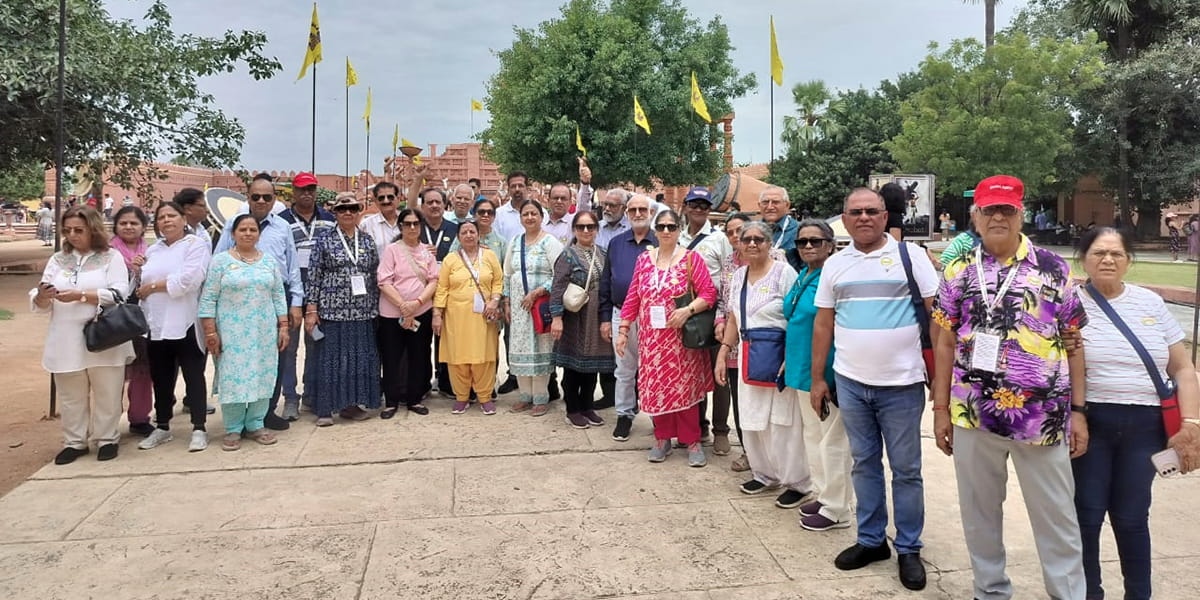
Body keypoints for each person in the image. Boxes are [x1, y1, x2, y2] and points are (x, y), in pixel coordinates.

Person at [930, 175, 1089, 600]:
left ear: (1021, 214)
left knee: (1056, 516)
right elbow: (945, 340)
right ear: (975, 217)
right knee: (979, 514)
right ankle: (991, 591)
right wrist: (940, 408)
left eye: (1007, 209)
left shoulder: (1053, 268)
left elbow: (1074, 344)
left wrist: (1078, 411)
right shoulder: (958, 270)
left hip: (1043, 418)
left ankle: (1068, 594)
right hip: (972, 412)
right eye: (989, 210)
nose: (998, 216)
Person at [811, 188, 937, 590]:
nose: (863, 217)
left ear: (885, 217)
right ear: (844, 220)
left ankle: (909, 547)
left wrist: (942, 378)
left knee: (906, 470)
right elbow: (824, 324)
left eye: (871, 211)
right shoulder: (835, 265)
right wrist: (818, 378)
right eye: (855, 212)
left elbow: (937, 318)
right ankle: (870, 540)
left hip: (901, 384)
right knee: (863, 464)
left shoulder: (911, 257)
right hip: (851, 382)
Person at [1072, 227, 1200, 600]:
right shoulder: (1069, 303)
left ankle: (1138, 595)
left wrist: (1191, 424)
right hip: (1091, 421)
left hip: (1145, 426)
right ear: (1084, 259)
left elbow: (1183, 369)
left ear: (1128, 260)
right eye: (1099, 253)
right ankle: (1088, 593)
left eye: (1116, 253)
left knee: (1131, 517)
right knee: (1087, 514)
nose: (1108, 260)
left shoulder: (1150, 303)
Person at [31, 206, 134, 464]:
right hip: (65, 336)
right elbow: (42, 300)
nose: (73, 235)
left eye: (79, 230)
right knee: (70, 394)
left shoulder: (111, 257)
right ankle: (75, 441)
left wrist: (82, 296)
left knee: (107, 391)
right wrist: (43, 295)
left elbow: (119, 293)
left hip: (104, 335)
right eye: (68, 231)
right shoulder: (58, 260)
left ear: (93, 228)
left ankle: (107, 438)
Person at [616, 209, 717, 467]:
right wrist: (624, 329)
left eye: (671, 226)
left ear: (679, 229)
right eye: (661, 227)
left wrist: (686, 310)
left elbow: (708, 294)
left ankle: (692, 440)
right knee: (657, 390)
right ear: (655, 229)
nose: (666, 231)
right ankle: (662, 439)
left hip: (681, 339)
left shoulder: (692, 259)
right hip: (651, 340)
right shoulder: (644, 260)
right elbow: (633, 297)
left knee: (684, 390)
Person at [715, 220, 809, 498]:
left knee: (783, 422)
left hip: (778, 356)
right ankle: (765, 474)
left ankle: (798, 482)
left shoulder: (784, 273)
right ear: (739, 245)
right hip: (748, 354)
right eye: (747, 239)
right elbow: (734, 317)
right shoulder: (738, 276)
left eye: (759, 239)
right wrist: (723, 352)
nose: (753, 244)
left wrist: (791, 357)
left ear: (769, 244)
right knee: (752, 418)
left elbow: (797, 318)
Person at [215, 177, 305, 431]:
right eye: (256, 197)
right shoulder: (235, 225)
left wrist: (296, 302)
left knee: (276, 354)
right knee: (241, 357)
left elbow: (292, 265)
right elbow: (218, 260)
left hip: (276, 295)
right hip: (240, 300)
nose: (262, 201)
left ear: (275, 199)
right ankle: (240, 416)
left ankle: (265, 412)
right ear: (248, 197)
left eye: (267, 197)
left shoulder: (282, 227)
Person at [782, 218, 854, 532]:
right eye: (802, 242)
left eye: (815, 241)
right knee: (813, 436)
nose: (808, 246)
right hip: (800, 369)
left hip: (826, 372)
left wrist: (824, 375)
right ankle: (825, 495)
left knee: (833, 442)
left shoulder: (835, 276)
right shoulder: (804, 274)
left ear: (829, 244)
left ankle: (838, 509)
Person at [198, 214, 289, 451]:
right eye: (242, 230)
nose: (248, 234)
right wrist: (210, 332)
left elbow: (278, 295)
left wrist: (283, 327)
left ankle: (256, 423)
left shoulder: (268, 261)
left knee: (262, 374)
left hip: (263, 332)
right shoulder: (220, 262)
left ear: (259, 234)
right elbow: (208, 298)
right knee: (233, 377)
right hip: (231, 333)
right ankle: (233, 427)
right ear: (233, 234)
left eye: (252, 230)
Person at [136, 202, 212, 452]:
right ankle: (163, 426)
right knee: (161, 377)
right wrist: (138, 274)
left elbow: (188, 281)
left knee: (193, 375)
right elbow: (139, 285)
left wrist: (154, 287)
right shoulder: (153, 249)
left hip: (185, 320)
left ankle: (199, 427)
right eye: (161, 217)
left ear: (183, 219)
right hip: (156, 322)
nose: (166, 220)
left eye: (172, 216)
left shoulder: (195, 245)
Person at [304, 192, 381, 426]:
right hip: (332, 311)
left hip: (363, 311)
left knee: (358, 360)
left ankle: (351, 405)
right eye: (342, 209)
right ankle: (326, 409)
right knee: (331, 360)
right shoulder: (324, 240)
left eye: (353, 208)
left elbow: (374, 274)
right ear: (335, 212)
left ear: (359, 212)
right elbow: (314, 275)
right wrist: (311, 309)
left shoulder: (367, 240)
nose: (348, 213)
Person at [278, 171, 335, 420]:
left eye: (311, 188)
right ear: (293, 192)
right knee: (288, 347)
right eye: (302, 189)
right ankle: (291, 397)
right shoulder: (281, 221)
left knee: (316, 346)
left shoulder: (328, 219)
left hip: (320, 294)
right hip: (290, 292)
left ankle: (312, 394)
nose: (307, 193)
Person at [600, 194, 658, 441]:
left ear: (651, 213)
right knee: (624, 368)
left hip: (653, 318)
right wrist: (604, 317)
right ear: (626, 213)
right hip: (620, 314)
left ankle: (658, 414)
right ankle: (624, 414)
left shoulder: (660, 240)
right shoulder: (616, 243)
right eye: (632, 209)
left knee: (654, 368)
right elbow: (606, 280)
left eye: (642, 209)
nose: (637, 214)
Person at [550, 210, 614, 428]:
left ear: (596, 229)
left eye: (590, 227)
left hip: (596, 318)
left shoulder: (604, 253)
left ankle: (587, 406)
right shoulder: (567, 255)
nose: (586, 231)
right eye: (581, 227)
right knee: (573, 367)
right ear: (574, 230)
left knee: (592, 366)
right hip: (574, 320)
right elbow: (557, 288)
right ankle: (573, 408)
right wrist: (556, 318)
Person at [434, 219, 504, 413]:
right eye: (464, 232)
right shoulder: (451, 259)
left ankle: (484, 396)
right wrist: (437, 314)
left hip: (484, 315)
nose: (469, 235)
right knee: (458, 357)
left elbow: (498, 281)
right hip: (456, 317)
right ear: (458, 237)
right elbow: (442, 288)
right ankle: (462, 396)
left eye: (472, 231)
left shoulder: (489, 256)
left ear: (478, 234)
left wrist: (495, 300)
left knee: (484, 357)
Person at [502, 199, 563, 416]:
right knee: (519, 349)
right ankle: (524, 396)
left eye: (533, 213)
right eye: (525, 214)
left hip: (540, 305)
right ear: (520, 218)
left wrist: (537, 292)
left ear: (541, 216)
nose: (529, 217)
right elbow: (507, 273)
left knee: (541, 350)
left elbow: (560, 275)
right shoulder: (515, 241)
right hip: (519, 308)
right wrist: (507, 302)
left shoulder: (550, 242)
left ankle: (540, 398)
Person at [679, 186, 729, 447]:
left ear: (710, 209)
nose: (699, 209)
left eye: (704, 205)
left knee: (718, 374)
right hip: (684, 315)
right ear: (686, 206)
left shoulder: (719, 239)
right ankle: (699, 427)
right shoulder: (676, 237)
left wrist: (723, 316)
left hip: (712, 314)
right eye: (694, 204)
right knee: (691, 374)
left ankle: (721, 430)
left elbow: (728, 278)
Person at [377, 208, 439, 417]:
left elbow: (433, 280)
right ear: (401, 226)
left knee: (418, 355)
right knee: (392, 357)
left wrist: (417, 303)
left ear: (420, 227)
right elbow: (384, 281)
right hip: (392, 313)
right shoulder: (392, 250)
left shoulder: (427, 252)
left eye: (416, 224)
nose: (412, 228)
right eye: (407, 224)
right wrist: (403, 305)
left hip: (421, 311)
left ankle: (415, 398)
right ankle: (391, 401)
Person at [714, 213, 754, 471]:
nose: (736, 236)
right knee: (739, 399)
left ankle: (768, 455)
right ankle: (748, 452)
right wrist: (719, 321)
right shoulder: (729, 263)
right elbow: (722, 300)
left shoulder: (777, 259)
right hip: (732, 342)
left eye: (740, 230)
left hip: (763, 343)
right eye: (730, 232)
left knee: (760, 400)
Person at [110, 206, 154, 437]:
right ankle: (108, 423)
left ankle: (139, 418)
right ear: (116, 226)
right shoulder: (106, 253)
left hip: (140, 321)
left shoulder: (152, 252)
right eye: (123, 223)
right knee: (112, 372)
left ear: (143, 227)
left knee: (142, 372)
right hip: (113, 321)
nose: (128, 227)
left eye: (134, 223)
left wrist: (141, 270)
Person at [758, 186, 801, 270]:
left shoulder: (799, 230)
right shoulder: (750, 231)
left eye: (775, 202)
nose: (770, 207)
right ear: (759, 205)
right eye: (765, 202)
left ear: (787, 205)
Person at [359, 181, 404, 257]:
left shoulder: (408, 221)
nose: (386, 201)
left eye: (390, 197)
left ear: (398, 199)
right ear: (376, 201)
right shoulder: (366, 225)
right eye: (381, 198)